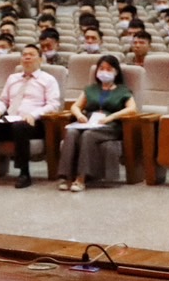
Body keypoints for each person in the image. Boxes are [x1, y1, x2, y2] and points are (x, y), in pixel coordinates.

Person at [0, 44, 61, 189]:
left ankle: (24, 173)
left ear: (40, 59)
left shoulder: (48, 80)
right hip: (11, 119)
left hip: (34, 123)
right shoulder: (12, 78)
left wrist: (33, 114)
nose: (27, 57)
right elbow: (4, 100)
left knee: (19, 127)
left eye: (31, 54)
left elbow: (53, 105)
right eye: (24, 54)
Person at [56, 55, 138, 191]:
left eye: (109, 69)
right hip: (88, 122)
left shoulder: (122, 90)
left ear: (116, 71)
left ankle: (82, 178)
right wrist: (79, 115)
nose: (104, 72)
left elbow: (132, 109)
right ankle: (66, 177)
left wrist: (111, 117)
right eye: (101, 68)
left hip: (109, 126)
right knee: (71, 132)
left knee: (88, 135)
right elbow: (75, 106)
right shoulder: (90, 89)